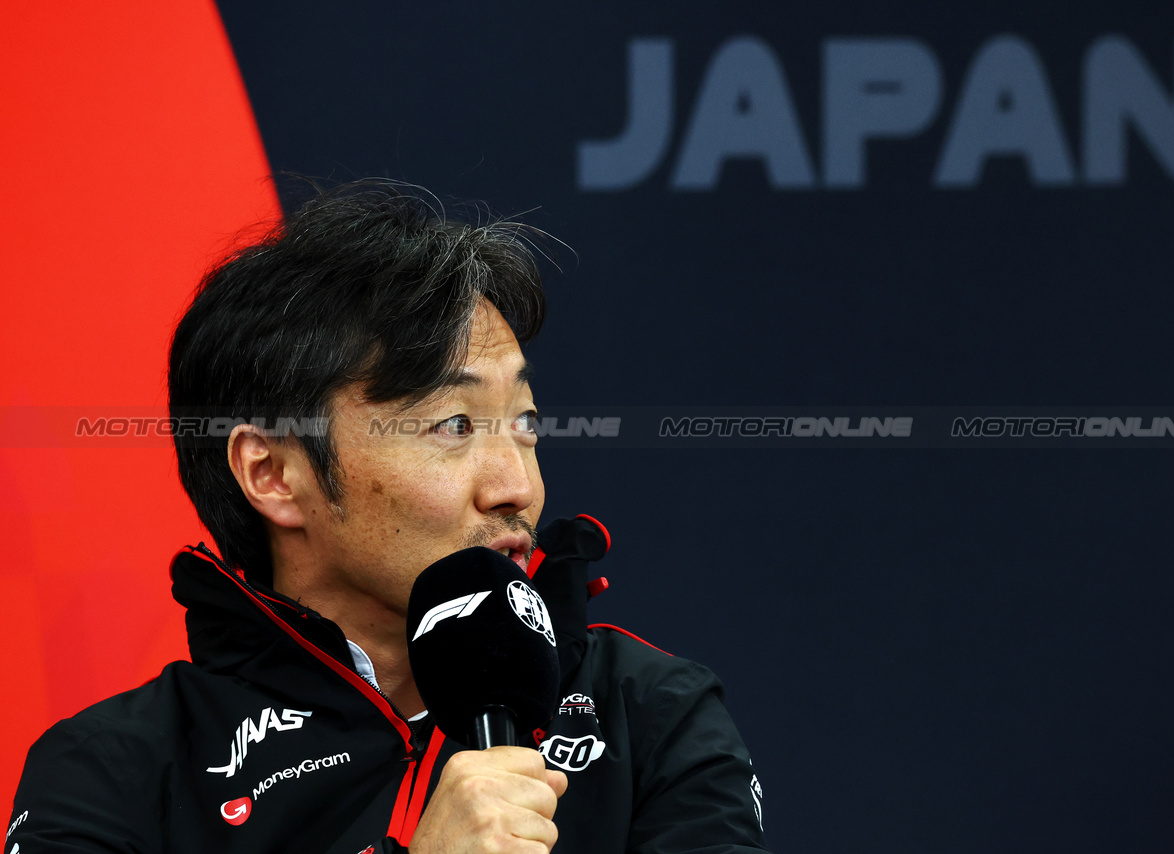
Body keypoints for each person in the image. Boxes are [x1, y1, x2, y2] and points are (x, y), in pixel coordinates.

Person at [7, 181, 770, 854]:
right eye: (455, 426)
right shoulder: (115, 772)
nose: (518, 488)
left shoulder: (648, 710)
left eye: (526, 423)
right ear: (273, 473)